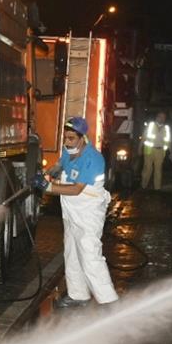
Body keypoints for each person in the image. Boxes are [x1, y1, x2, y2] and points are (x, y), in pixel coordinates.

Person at [40, 117, 118, 309]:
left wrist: (47, 186)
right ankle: (78, 295)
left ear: (83, 138)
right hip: (71, 211)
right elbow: (60, 164)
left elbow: (76, 189)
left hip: (88, 212)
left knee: (90, 254)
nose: (67, 142)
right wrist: (50, 172)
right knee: (71, 253)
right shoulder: (69, 152)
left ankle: (109, 302)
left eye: (71, 138)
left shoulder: (93, 158)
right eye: (65, 138)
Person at [141, 111, 171, 190]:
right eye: (160, 116)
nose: (162, 118)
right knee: (148, 169)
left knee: (158, 171)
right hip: (149, 151)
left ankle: (157, 189)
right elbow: (143, 137)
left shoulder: (166, 128)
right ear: (157, 117)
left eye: (163, 117)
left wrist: (171, 153)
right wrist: (139, 148)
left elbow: (169, 141)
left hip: (160, 152)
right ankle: (143, 186)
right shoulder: (150, 126)